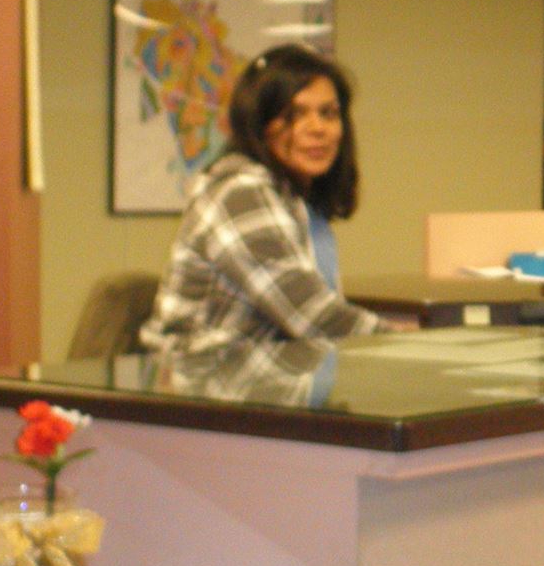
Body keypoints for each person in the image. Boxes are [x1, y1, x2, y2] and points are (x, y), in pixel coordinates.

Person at [140, 45, 387, 354]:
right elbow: (313, 317)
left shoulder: (294, 201)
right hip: (201, 386)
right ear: (259, 124)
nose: (317, 128)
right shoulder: (240, 194)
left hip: (264, 383)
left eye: (328, 113)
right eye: (292, 115)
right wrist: (412, 343)